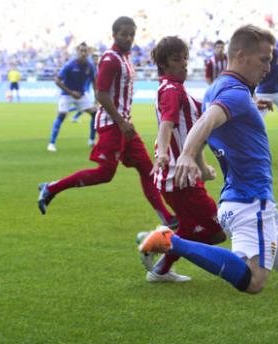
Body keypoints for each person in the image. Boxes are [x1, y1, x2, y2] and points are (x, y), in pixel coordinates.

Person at [138, 25, 278, 344]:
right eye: (263, 60)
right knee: (254, 280)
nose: (268, 68)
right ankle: (172, 241)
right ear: (239, 55)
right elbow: (208, 120)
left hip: (245, 201)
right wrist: (185, 155)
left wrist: (253, 106)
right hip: (251, 202)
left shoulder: (223, 88)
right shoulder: (233, 94)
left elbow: (217, 114)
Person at [37, 16, 176, 230]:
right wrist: (121, 123)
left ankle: (167, 217)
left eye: (131, 34)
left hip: (124, 124)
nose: (128, 38)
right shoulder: (110, 59)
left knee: (147, 169)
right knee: (105, 174)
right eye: (124, 34)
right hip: (114, 124)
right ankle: (51, 188)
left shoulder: (126, 57)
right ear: (114, 34)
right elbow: (101, 94)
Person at [141, 35, 227, 283]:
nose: (185, 64)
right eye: (178, 60)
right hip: (177, 176)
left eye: (185, 58)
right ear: (164, 65)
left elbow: (205, 114)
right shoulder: (170, 90)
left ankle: (161, 265)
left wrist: (251, 104)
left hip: (184, 175)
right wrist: (162, 154)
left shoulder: (177, 90)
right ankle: (160, 242)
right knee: (215, 230)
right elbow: (167, 123)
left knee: (201, 229)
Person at [47, 42, 97, 151]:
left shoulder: (90, 66)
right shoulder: (70, 65)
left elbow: (94, 82)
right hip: (67, 94)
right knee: (62, 115)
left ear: (88, 52)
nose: (83, 53)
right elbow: (57, 80)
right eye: (81, 51)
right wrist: (71, 92)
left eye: (85, 51)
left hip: (81, 95)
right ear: (77, 52)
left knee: (95, 113)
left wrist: (97, 98)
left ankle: (92, 140)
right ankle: (51, 143)